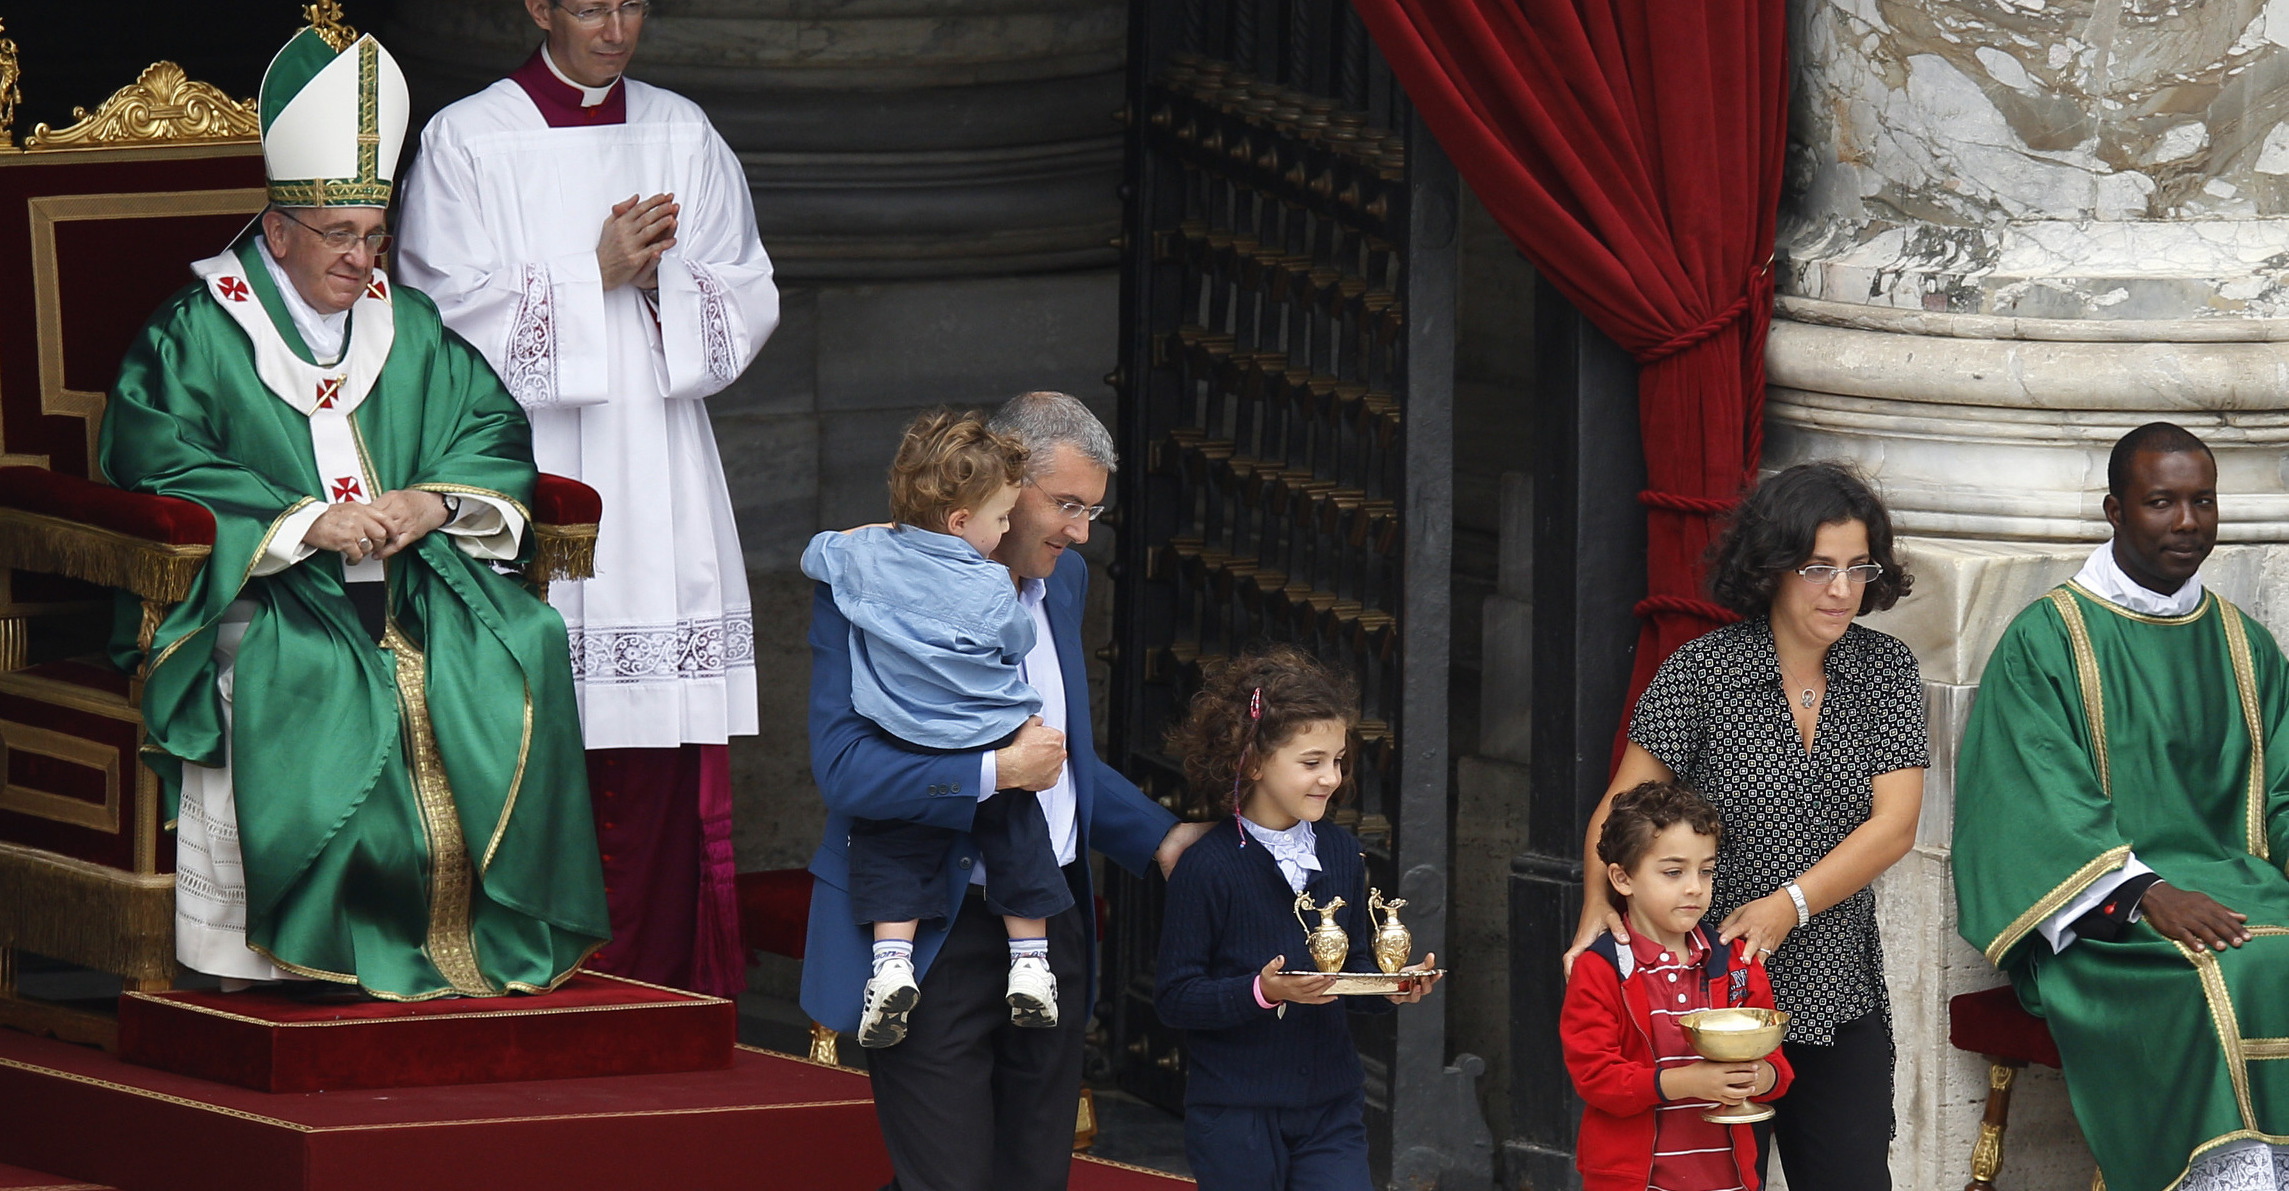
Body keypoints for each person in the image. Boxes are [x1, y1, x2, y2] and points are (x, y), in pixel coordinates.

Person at [103, 27, 608, 999]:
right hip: (277, 593)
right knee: (332, 676)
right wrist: (301, 523)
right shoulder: (198, 333)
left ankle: (481, 934)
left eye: (375, 235)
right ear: (280, 227)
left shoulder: (406, 324)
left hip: (416, 579)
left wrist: (432, 499)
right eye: (341, 235)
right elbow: (150, 456)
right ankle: (327, 946)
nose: (363, 260)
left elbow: (489, 424)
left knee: (527, 636)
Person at [395, 0, 781, 998]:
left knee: (655, 733)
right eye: (590, 5)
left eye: (632, 5)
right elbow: (435, 316)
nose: (615, 27)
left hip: (654, 462)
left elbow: (745, 289)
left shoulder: (680, 130)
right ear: (540, 7)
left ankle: (662, 976)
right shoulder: (468, 139)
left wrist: (660, 287)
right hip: (519, 462)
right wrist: (591, 273)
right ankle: (515, 969)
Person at [800, 391, 1214, 1191]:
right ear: (1001, 483)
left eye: (1092, 511)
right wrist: (991, 774)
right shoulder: (866, 584)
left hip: (1046, 920)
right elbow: (844, 769)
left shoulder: (1063, 582)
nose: (1080, 531)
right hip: (928, 926)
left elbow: (1059, 752)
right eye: (1066, 505)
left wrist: (1157, 836)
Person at [1563, 461, 1926, 1189]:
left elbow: (1894, 826)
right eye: (1817, 566)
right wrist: (1594, 917)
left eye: (1858, 567)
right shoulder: (1701, 671)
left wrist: (1787, 905)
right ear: (1771, 567)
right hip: (1706, 992)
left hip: (1832, 986)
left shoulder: (1885, 669)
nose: (1840, 588)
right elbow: (1619, 809)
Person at [1955, 422, 2289, 1191]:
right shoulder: (2049, 639)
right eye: (2160, 501)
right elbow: (2027, 800)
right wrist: (2147, 892)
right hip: (2112, 922)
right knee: (2233, 968)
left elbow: (2281, 793)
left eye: (2201, 501)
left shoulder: (2244, 645)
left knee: (2268, 949)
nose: (2186, 522)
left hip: (2244, 890)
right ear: (2113, 509)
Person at [799, 410, 1070, 1047]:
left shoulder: (860, 555)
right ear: (960, 523)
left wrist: (860, 537)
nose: (1007, 529)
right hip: (985, 737)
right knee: (1019, 833)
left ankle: (891, 964)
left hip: (900, 732)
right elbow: (1016, 637)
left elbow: (815, 553)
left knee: (891, 848)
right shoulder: (988, 582)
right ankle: (1031, 965)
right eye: (1002, 516)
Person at [1153, 647, 1441, 1191]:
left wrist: (1391, 988)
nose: (1331, 778)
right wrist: (1262, 992)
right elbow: (1175, 996)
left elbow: (1350, 964)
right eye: (1312, 762)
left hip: (1331, 1105)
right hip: (1235, 1112)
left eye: (1338, 760)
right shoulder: (1207, 866)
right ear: (1254, 761)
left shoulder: (1339, 851)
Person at [1563, 780, 1793, 1191]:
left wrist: (1758, 1079)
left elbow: (1778, 1065)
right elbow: (1595, 1077)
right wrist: (1690, 1082)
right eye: (1673, 872)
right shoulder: (1600, 969)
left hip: (1729, 1180)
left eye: (1705, 871)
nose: (1694, 887)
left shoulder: (1738, 962)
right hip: (1633, 1181)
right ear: (1622, 878)